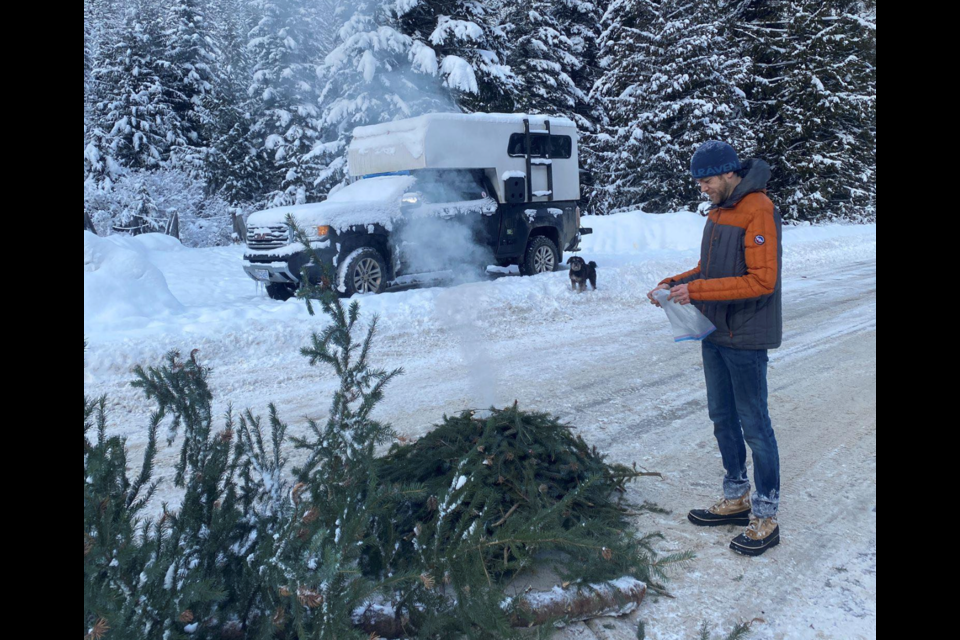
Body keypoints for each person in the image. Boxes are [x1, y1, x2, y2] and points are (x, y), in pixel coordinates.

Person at [647, 140, 782, 556]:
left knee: (754, 423)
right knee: (722, 417)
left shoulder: (758, 208)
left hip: (745, 335)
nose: (702, 188)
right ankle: (736, 495)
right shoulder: (720, 210)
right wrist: (675, 282)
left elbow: (763, 281)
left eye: (706, 180)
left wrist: (698, 289)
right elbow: (711, 269)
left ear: (728, 173)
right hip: (715, 332)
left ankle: (766, 513)